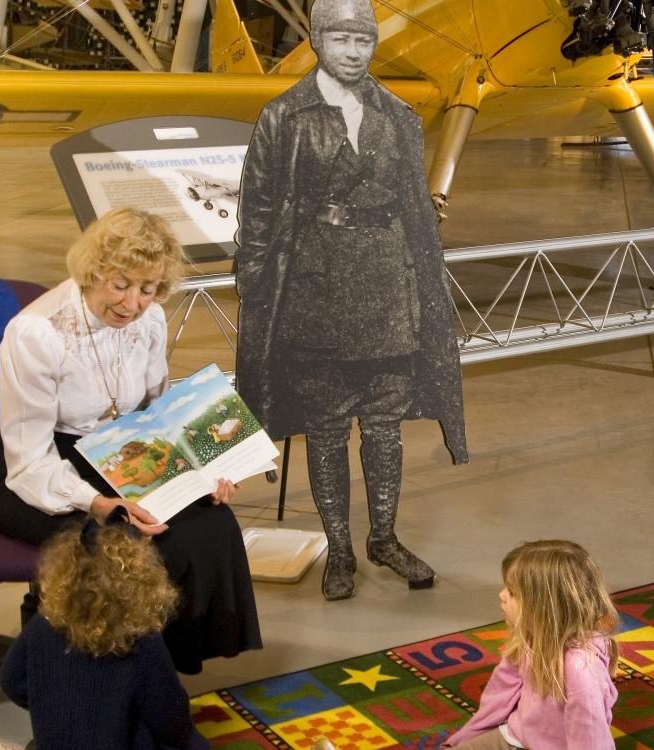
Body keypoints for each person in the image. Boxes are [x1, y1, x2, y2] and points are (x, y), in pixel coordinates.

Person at [235, 0, 468, 602]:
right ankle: (339, 547)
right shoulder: (283, 116)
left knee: (386, 425)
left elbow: (417, 207)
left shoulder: (398, 115)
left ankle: (383, 538)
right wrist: (257, 290)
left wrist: (426, 286)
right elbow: (257, 211)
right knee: (329, 426)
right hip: (315, 288)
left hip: (389, 282)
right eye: (340, 38)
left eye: (363, 39)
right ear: (318, 41)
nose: (354, 50)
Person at [0, 207, 261, 674]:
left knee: (212, 523)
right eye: (121, 284)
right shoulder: (37, 334)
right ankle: (112, 675)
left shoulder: (148, 322)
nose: (133, 304)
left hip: (118, 451)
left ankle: (164, 669)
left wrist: (202, 471)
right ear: (94, 271)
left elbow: (157, 410)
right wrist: (102, 504)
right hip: (35, 470)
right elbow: (28, 462)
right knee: (132, 541)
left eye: (148, 290)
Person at [0, 510, 209, 750]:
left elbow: (11, 682)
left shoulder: (44, 624)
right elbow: (170, 718)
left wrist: (53, 705)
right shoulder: (142, 640)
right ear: (143, 584)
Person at [443, 540, 618, 749]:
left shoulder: (580, 669)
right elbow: (500, 693)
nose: (501, 595)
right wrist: (467, 737)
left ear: (543, 608)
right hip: (515, 737)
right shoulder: (532, 637)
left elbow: (591, 741)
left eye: (512, 592)